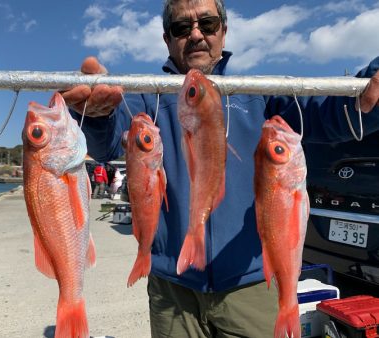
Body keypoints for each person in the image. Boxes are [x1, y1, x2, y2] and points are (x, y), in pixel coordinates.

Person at [62, 1, 379, 336]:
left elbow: (333, 113)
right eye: (182, 28)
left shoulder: (260, 96)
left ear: (223, 32)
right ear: (168, 39)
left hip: (250, 285)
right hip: (173, 289)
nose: (196, 34)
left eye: (208, 24)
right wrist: (97, 117)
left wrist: (370, 85)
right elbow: (110, 144)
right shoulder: (147, 100)